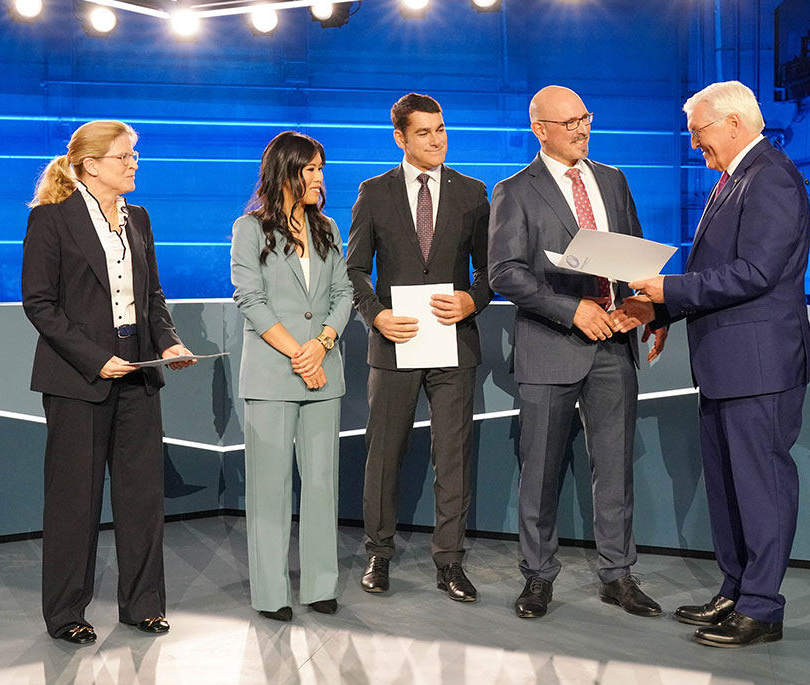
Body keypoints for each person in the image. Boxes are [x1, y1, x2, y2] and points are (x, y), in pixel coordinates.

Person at [631, 80, 810, 648]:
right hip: (727, 365)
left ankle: (762, 607)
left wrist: (667, 289)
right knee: (730, 489)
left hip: (760, 367)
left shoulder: (772, 177)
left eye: (699, 132)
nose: (694, 144)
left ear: (734, 123)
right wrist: (665, 313)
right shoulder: (736, 179)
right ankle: (735, 589)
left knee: (761, 488)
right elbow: (726, 276)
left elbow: (755, 274)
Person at [487, 85, 664, 620]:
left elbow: (634, 255)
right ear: (539, 128)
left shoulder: (613, 179)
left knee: (614, 469)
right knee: (540, 471)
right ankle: (537, 577)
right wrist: (571, 310)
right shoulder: (514, 191)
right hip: (551, 345)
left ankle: (618, 574)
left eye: (585, 118)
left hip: (614, 343)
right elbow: (504, 272)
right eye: (569, 123)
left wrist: (646, 306)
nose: (582, 129)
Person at [22, 120, 195, 645]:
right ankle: (66, 612)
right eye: (124, 156)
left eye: (134, 156)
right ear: (91, 165)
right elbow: (41, 305)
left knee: (142, 497)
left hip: (139, 373)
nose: (133, 164)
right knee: (74, 499)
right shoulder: (51, 220)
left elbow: (154, 298)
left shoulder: (138, 218)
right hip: (79, 377)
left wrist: (167, 342)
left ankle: (143, 605)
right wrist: (96, 359)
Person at [346, 93, 490, 601]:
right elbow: (355, 268)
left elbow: (489, 271)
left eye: (441, 129)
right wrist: (376, 315)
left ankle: (450, 562)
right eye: (424, 132)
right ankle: (378, 555)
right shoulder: (374, 192)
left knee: (452, 457)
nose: (436, 140)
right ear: (401, 138)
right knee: (384, 455)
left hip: (454, 345)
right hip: (395, 343)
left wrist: (472, 301)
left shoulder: (473, 192)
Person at [230, 132, 353, 622]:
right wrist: (300, 355)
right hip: (272, 374)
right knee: (270, 489)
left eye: (322, 169)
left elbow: (343, 293)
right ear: (286, 172)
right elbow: (250, 299)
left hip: (323, 371)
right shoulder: (250, 228)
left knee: (322, 484)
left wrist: (320, 345)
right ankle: (271, 593)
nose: (320, 178)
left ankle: (321, 585)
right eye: (311, 170)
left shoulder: (327, 227)